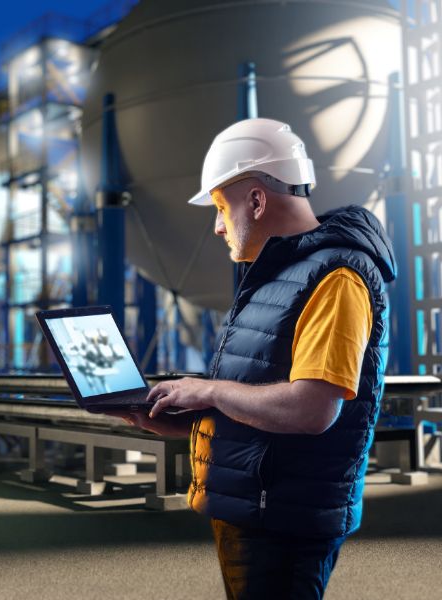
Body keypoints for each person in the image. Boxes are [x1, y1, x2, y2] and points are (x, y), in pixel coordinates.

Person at [119, 118, 396, 599]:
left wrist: (206, 389)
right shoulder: (279, 273)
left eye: (222, 207)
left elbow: (312, 410)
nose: (217, 225)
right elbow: (261, 397)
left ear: (257, 200)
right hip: (255, 509)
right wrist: (193, 421)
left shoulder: (338, 277)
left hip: (284, 520)